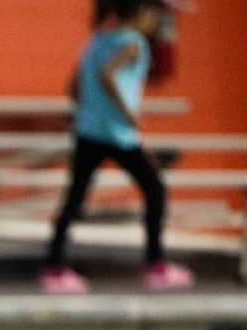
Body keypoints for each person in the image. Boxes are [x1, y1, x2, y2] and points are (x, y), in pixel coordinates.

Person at [40, 0, 194, 295]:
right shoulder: (134, 43)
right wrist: (128, 113)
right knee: (154, 190)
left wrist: (90, 110)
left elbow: (73, 87)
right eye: (152, 15)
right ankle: (156, 265)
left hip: (88, 132)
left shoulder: (96, 41)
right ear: (139, 14)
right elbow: (108, 74)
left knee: (74, 197)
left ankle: (53, 267)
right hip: (117, 135)